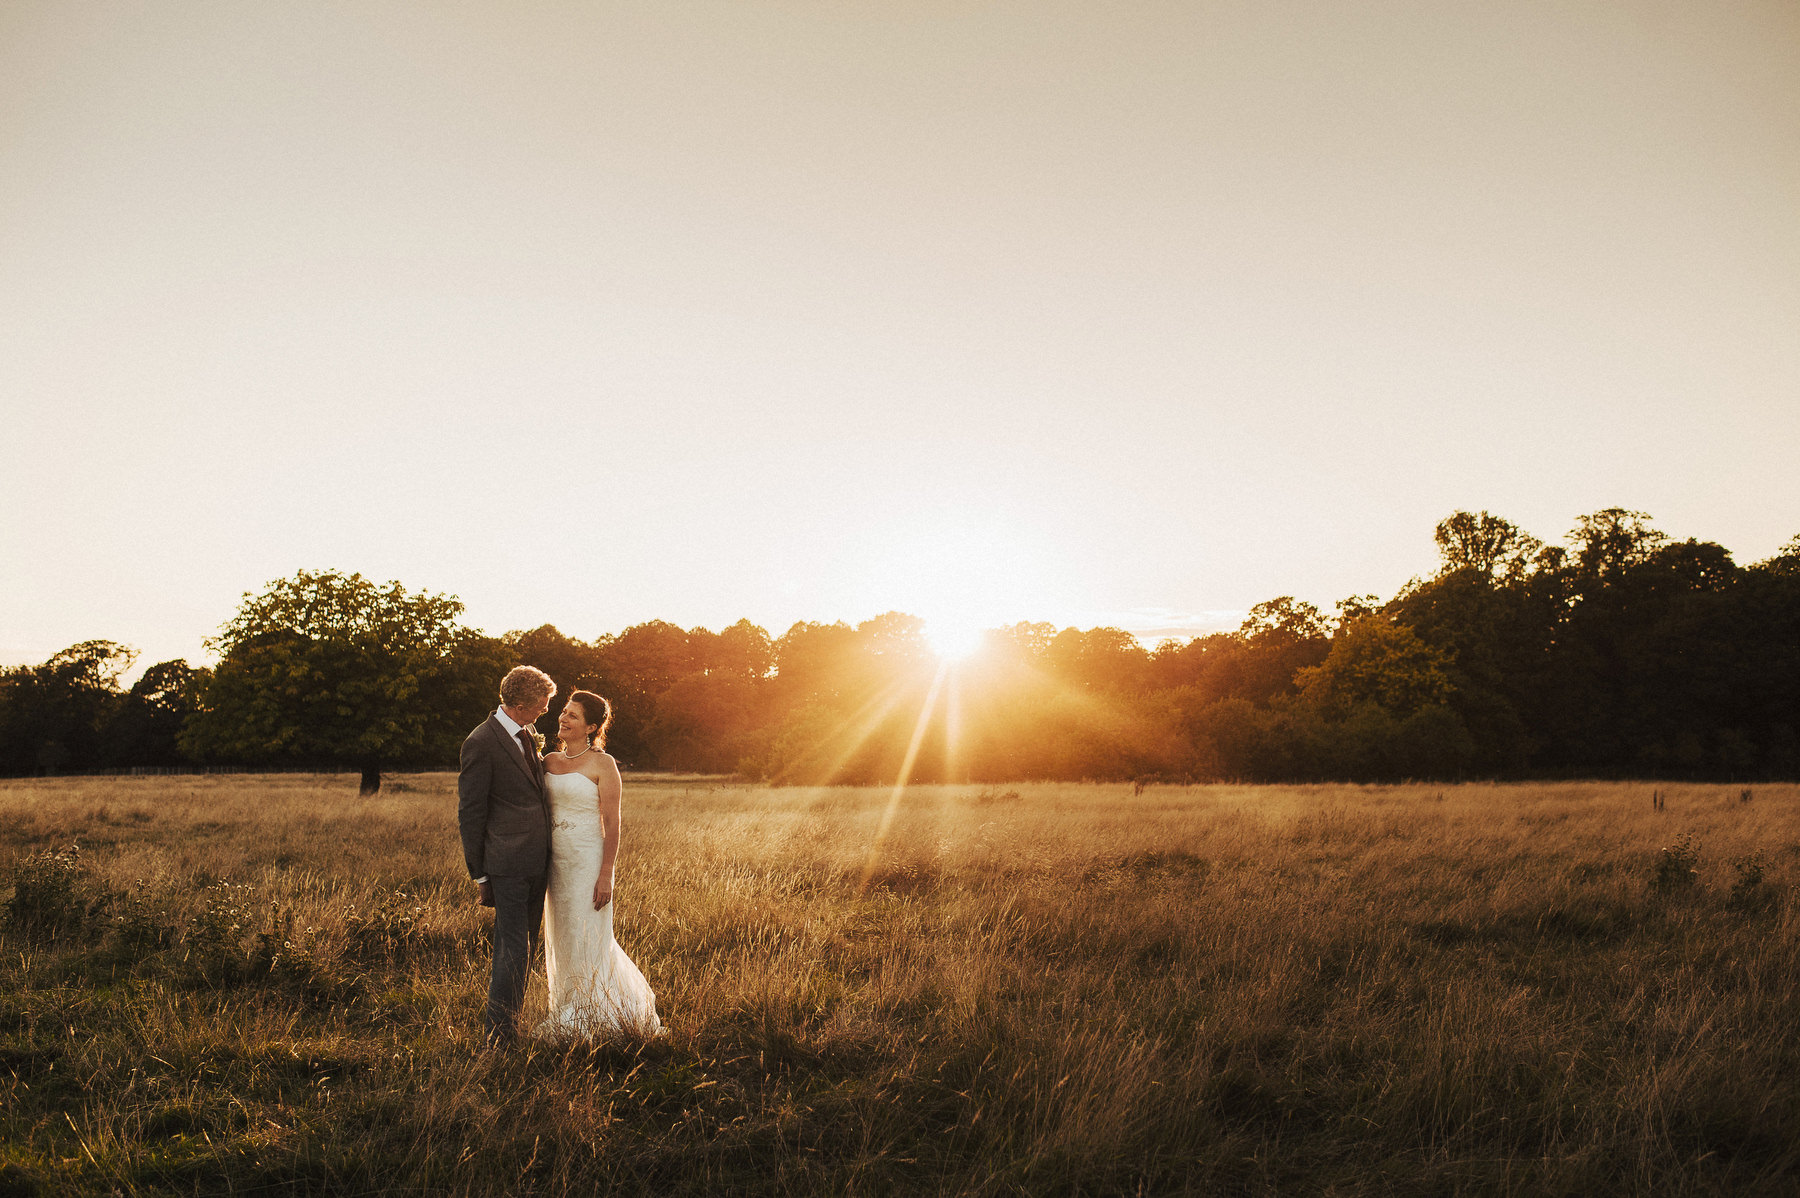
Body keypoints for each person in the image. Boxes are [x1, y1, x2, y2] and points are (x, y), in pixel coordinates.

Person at [537, 689, 661, 1039]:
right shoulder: (548, 762)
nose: (563, 718)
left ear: (590, 726)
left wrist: (606, 875)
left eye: (573, 715)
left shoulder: (603, 764)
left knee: (589, 934)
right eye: (564, 712)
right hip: (556, 865)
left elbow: (613, 823)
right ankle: (566, 1003)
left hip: (588, 862)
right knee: (563, 935)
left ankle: (597, 1009)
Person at [457, 665, 555, 1048]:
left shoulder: (526, 735)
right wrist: (480, 875)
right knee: (513, 947)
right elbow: (471, 812)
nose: (546, 712)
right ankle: (499, 1039)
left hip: (537, 861)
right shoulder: (481, 742)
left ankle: (509, 1025)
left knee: (526, 945)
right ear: (520, 703)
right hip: (507, 865)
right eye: (542, 706)